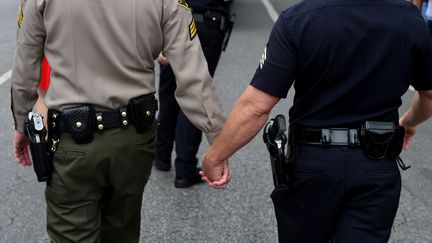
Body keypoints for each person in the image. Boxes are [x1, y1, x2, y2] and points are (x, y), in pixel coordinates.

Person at [200, 0, 432, 242]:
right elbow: (428, 96)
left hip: (313, 163)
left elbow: (256, 106)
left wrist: (215, 156)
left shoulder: (300, 19)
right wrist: (407, 122)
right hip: (376, 163)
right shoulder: (408, 18)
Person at [11, 0, 225, 242]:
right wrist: (219, 143)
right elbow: (194, 77)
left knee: (71, 232)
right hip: (134, 138)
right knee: (122, 229)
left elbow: (25, 66)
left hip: (74, 141)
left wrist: (22, 123)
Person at [154, 0, 232, 188]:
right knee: (196, 92)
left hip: (173, 19)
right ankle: (185, 168)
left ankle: (161, 155)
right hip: (207, 22)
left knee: (167, 91)